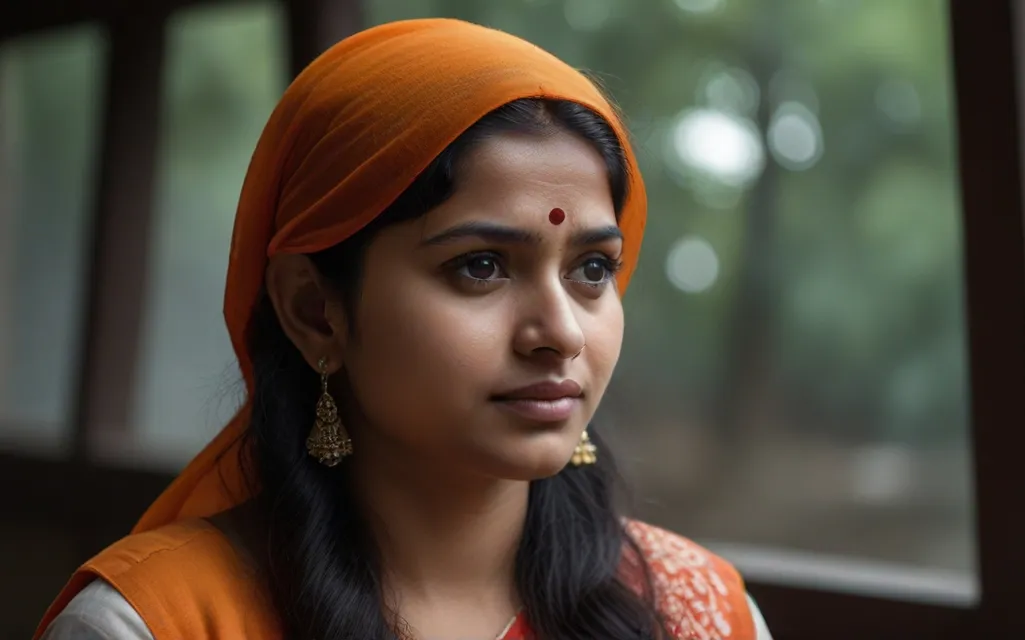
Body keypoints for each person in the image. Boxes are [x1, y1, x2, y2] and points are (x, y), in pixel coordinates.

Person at [34, 18, 773, 640]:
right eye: (481, 266)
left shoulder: (703, 613)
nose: (561, 334)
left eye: (591, 270)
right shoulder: (158, 624)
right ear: (313, 310)